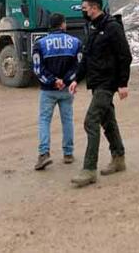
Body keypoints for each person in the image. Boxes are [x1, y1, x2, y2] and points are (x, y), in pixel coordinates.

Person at [71, 0, 133, 188]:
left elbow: (125, 56)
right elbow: (87, 58)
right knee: (108, 121)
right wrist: (76, 79)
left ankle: (89, 169)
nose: (83, 11)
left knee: (91, 121)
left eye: (84, 8)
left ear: (95, 8)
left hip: (107, 83)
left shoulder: (112, 27)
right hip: (96, 82)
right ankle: (119, 158)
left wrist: (123, 83)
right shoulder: (94, 28)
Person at [32, 13, 81, 170]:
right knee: (67, 120)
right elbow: (78, 66)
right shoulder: (75, 42)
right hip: (67, 90)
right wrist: (65, 81)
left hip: (48, 90)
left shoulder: (40, 44)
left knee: (44, 120)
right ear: (63, 24)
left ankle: (44, 154)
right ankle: (68, 153)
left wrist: (53, 81)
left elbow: (38, 69)